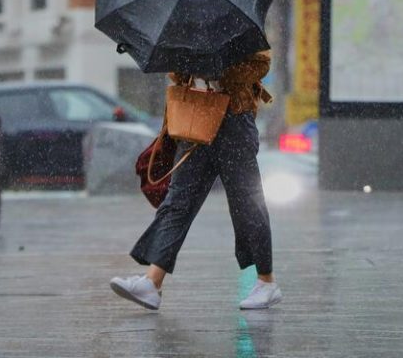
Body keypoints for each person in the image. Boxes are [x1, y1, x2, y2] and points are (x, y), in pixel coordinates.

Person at [110, 50, 281, 310]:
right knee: (178, 200)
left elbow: (260, 65)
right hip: (197, 116)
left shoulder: (239, 23)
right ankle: (152, 283)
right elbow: (176, 73)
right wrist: (186, 64)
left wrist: (218, 72)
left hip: (234, 121)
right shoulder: (189, 26)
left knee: (246, 204)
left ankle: (267, 281)